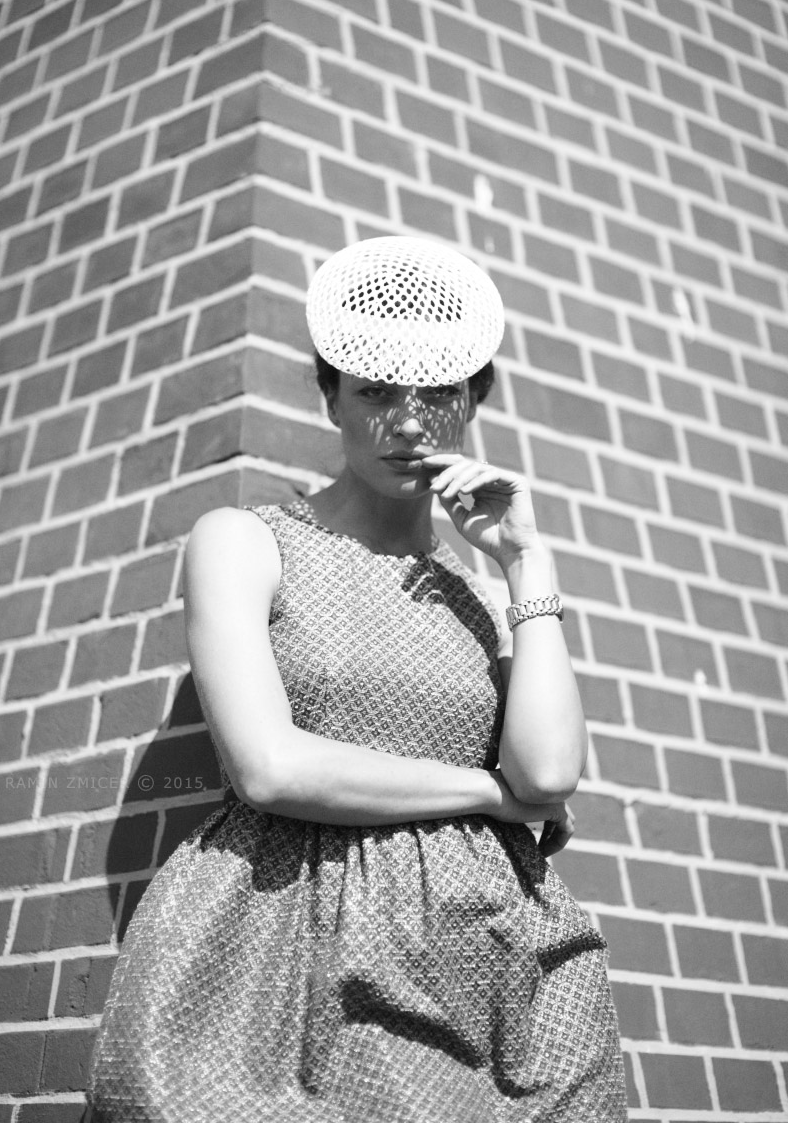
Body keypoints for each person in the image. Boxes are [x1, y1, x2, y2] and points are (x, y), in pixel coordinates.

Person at [86, 236, 627, 1122]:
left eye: (437, 393)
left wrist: (526, 563)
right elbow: (270, 769)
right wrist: (489, 797)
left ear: (472, 400)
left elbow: (550, 773)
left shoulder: (488, 597)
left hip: (487, 956)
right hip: (290, 940)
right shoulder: (247, 541)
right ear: (329, 396)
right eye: (375, 391)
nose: (408, 423)